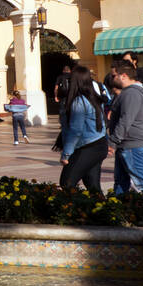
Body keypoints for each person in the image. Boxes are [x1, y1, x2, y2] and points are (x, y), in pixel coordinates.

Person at [107, 60, 143, 194]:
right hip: (127, 145)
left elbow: (126, 120)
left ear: (123, 76)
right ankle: (120, 212)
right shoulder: (129, 92)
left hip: (133, 146)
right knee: (121, 184)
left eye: (113, 76)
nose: (111, 79)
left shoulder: (131, 93)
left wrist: (112, 141)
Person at [59, 66, 108, 194]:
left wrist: (66, 154)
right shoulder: (94, 97)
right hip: (99, 144)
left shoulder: (79, 101)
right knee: (93, 186)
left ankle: (73, 210)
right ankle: (101, 211)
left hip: (88, 146)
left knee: (66, 182)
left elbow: (76, 130)